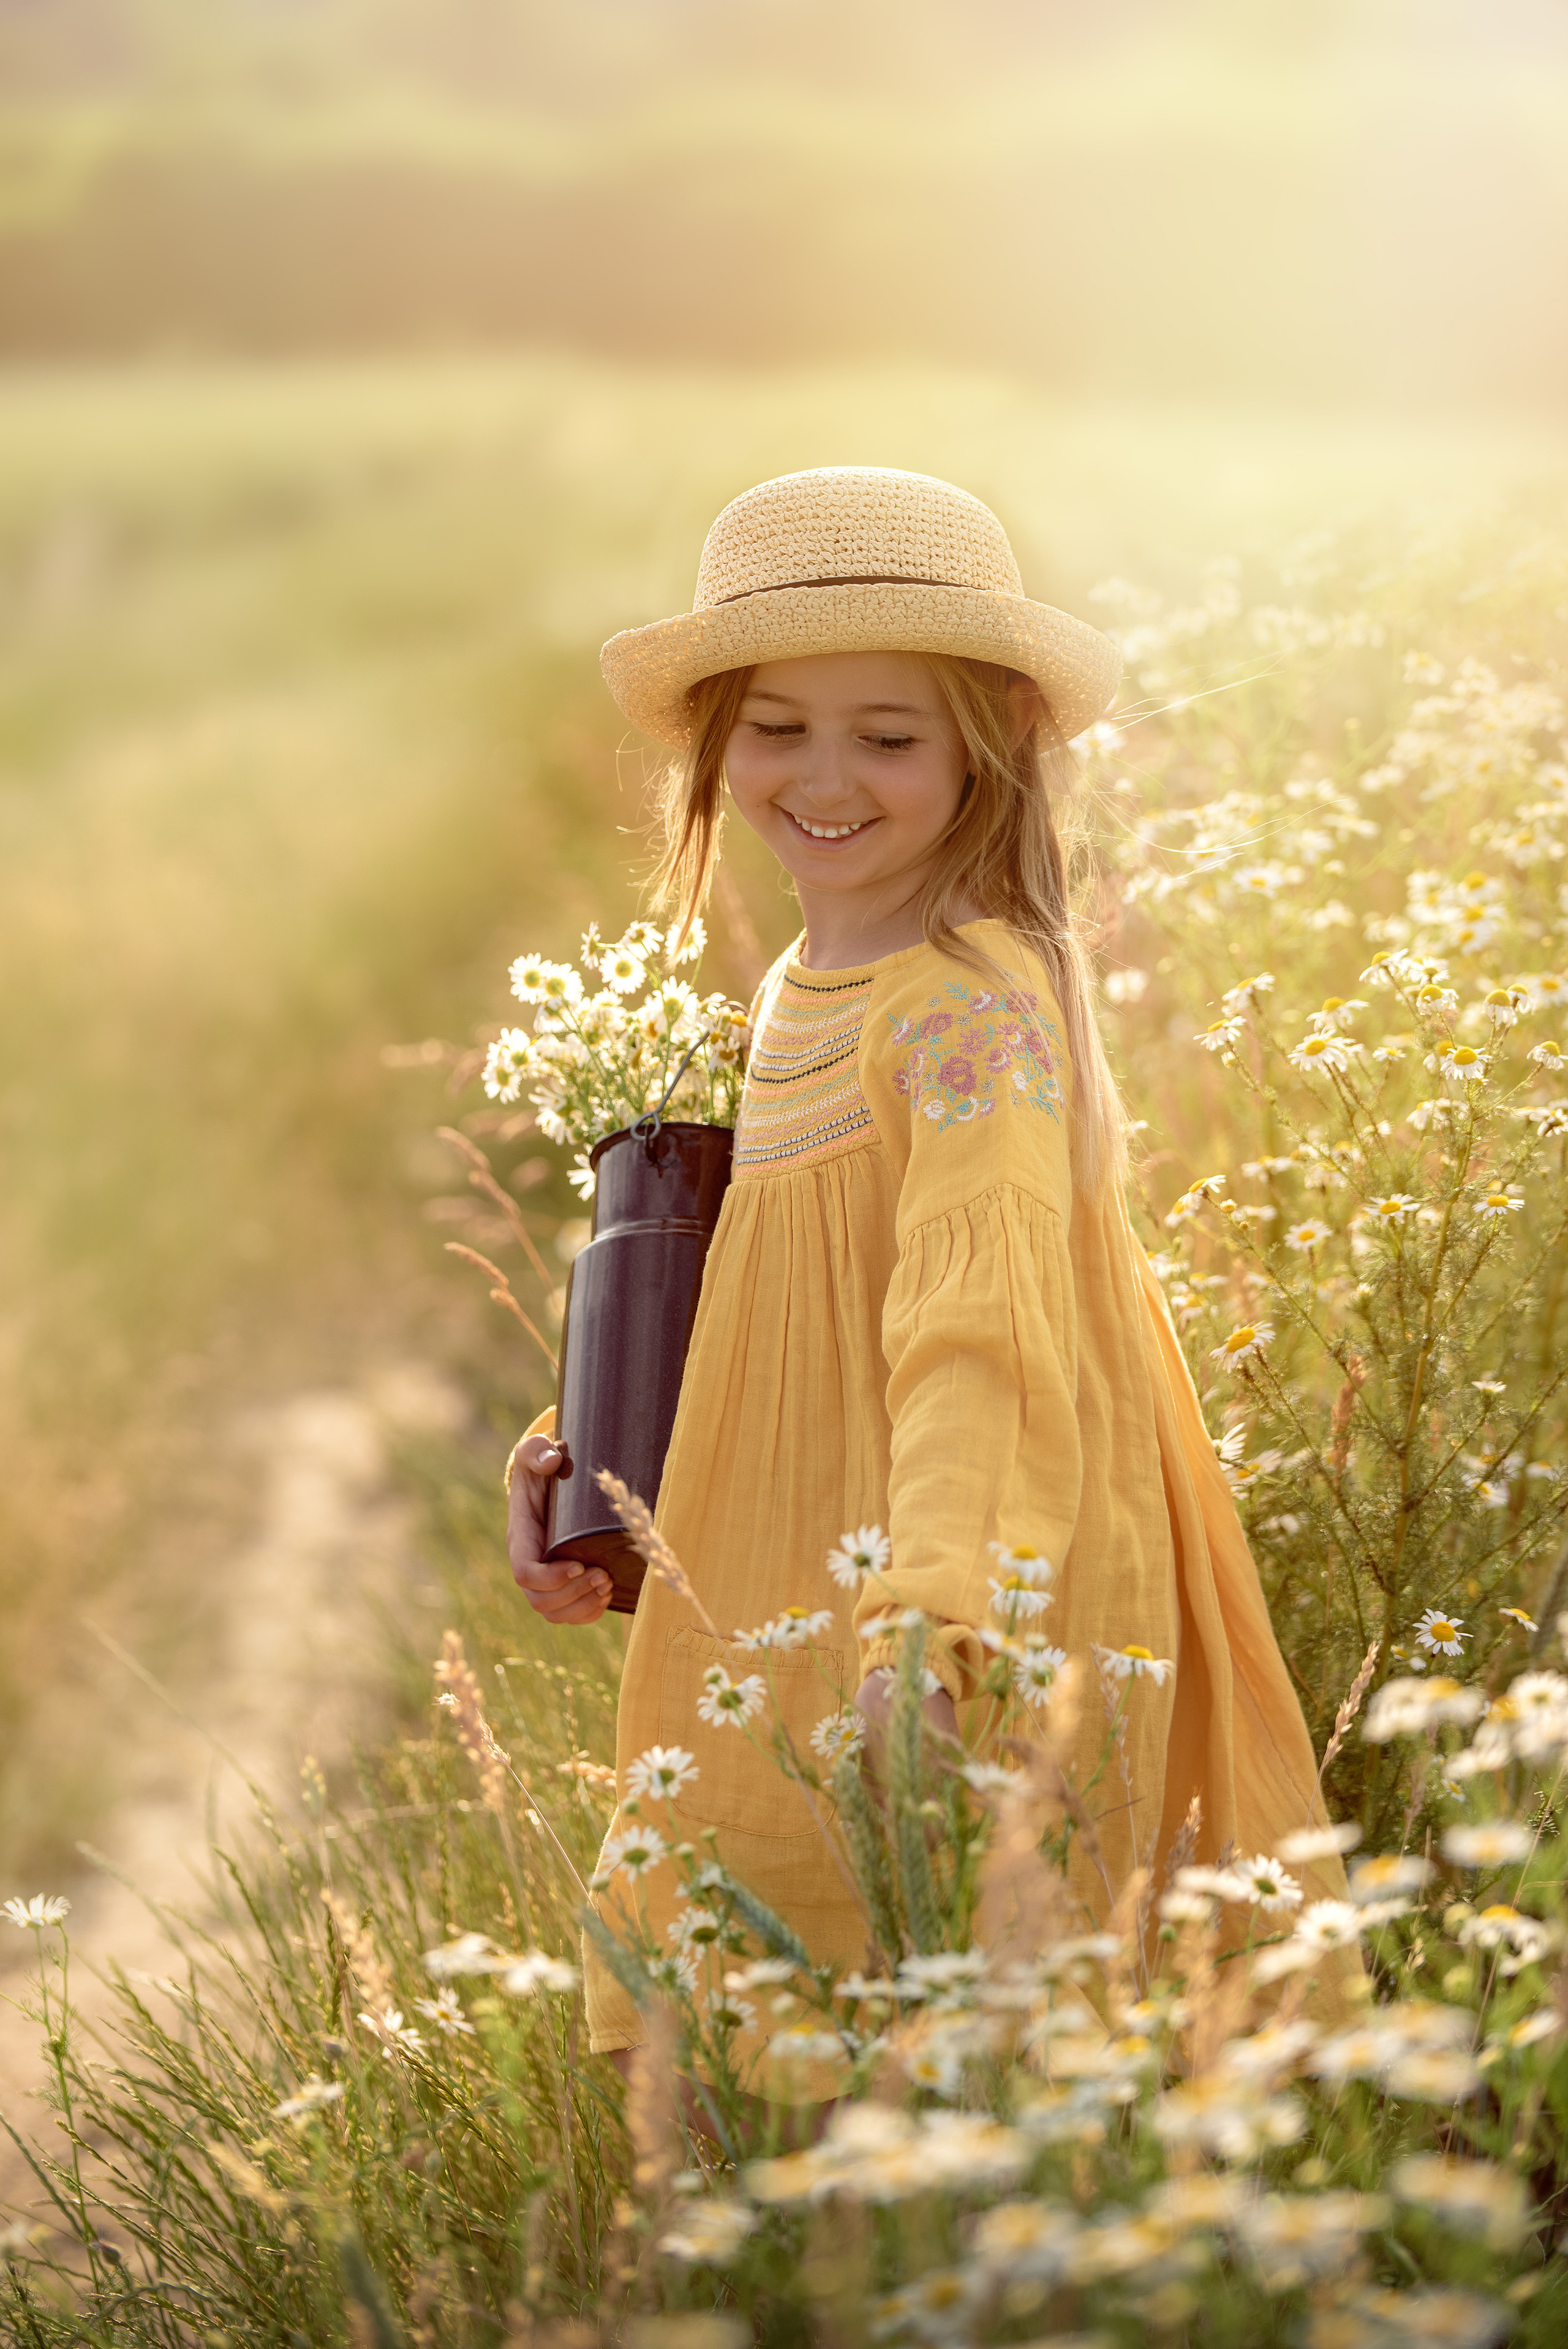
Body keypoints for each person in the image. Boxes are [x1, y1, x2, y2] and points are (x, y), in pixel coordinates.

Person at [507, 466, 1346, 2088]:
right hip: (817, 1565)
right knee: (841, 2029)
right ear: (714, 747)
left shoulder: (970, 1001)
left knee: (1004, 2022)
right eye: (778, 727)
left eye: (888, 734)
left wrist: (944, 1619)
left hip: (961, 1579)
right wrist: (590, 1472)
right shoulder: (805, 993)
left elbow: (981, 1326)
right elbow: (778, 1307)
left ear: (992, 742)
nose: (825, 777)